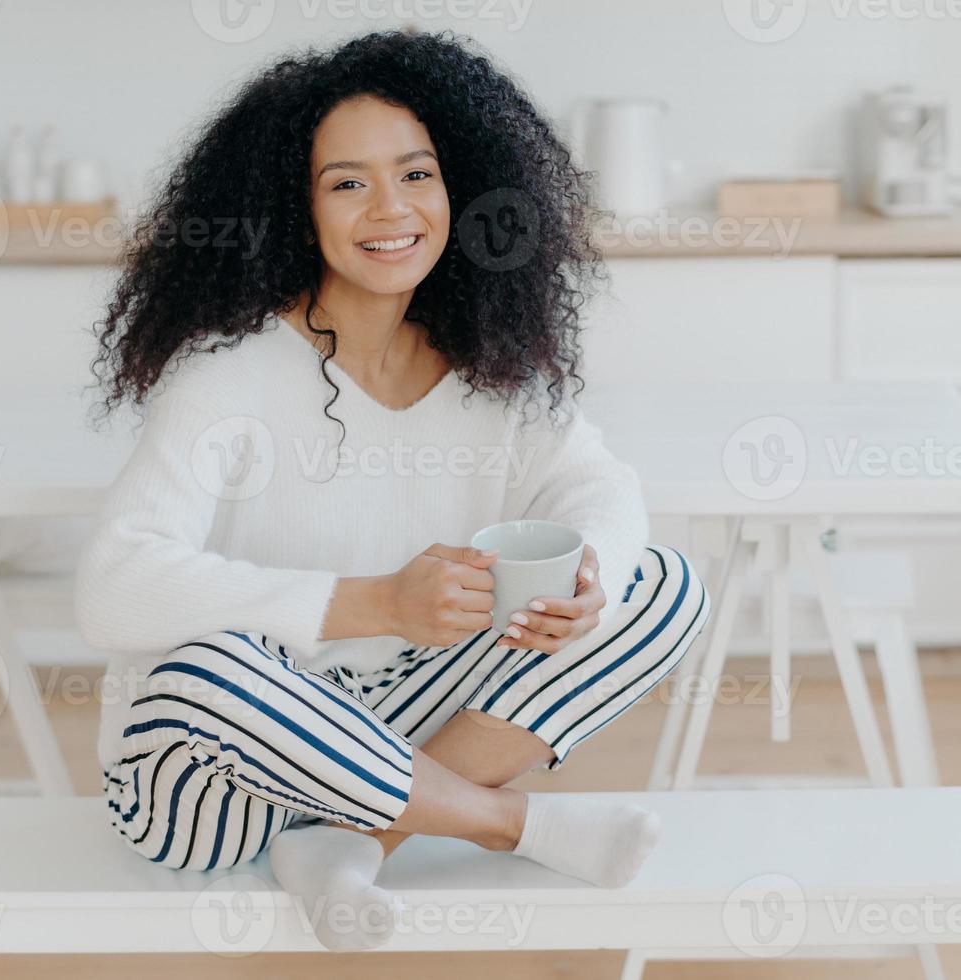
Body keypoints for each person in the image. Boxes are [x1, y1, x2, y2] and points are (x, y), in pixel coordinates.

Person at [76, 29, 710, 951]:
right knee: (205, 668)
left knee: (657, 584)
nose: (391, 208)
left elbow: (594, 483)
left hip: (387, 726)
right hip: (215, 781)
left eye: (417, 174)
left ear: (463, 188)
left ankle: (351, 838)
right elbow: (111, 589)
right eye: (347, 182)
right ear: (295, 208)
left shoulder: (490, 369)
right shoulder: (225, 376)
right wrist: (373, 603)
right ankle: (507, 825)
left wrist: (593, 578)